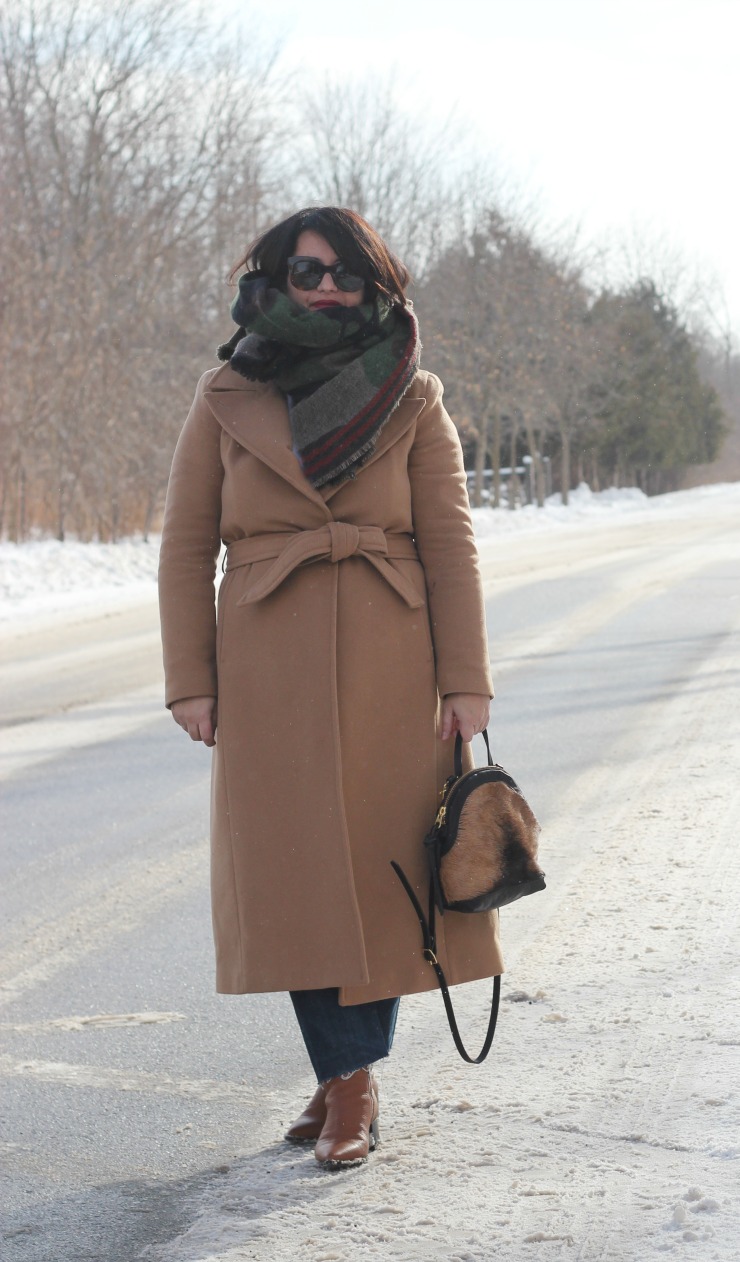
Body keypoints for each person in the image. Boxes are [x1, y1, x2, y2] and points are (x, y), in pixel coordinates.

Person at [158, 206, 502, 1169]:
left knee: (384, 874)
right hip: (267, 662)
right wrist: (192, 677)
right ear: (273, 276)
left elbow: (450, 545)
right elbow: (186, 547)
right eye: (307, 269)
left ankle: (347, 1083)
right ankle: (347, 1076)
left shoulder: (415, 394)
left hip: (397, 659)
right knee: (300, 880)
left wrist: (465, 679)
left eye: (346, 273)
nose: (325, 287)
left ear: (373, 285)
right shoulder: (224, 392)